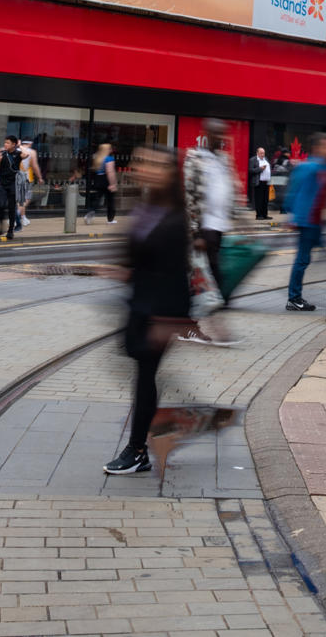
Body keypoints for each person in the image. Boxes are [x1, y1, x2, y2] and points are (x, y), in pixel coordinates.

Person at [101, 145, 193, 477]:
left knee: (144, 377)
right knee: (144, 375)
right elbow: (134, 256)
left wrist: (170, 320)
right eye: (142, 162)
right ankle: (172, 422)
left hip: (159, 312)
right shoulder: (146, 207)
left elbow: (178, 274)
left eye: (155, 165)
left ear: (169, 174)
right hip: (139, 305)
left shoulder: (176, 216)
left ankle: (138, 450)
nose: (145, 168)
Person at [182, 121, 238, 344]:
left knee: (203, 278)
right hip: (204, 227)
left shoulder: (224, 160)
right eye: (216, 134)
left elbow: (229, 189)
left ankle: (184, 322)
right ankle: (214, 328)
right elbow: (188, 196)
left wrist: (239, 220)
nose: (220, 138)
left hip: (219, 226)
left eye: (222, 134)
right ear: (206, 135)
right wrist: (195, 233)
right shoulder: (195, 158)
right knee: (211, 278)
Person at [283, 133, 326, 312]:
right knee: (302, 259)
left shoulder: (323, 167)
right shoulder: (309, 167)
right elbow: (293, 190)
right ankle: (294, 298)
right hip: (306, 221)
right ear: (318, 147)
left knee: (312, 258)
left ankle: (297, 294)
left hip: (316, 222)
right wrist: (291, 215)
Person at [0, 136, 22, 242]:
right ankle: (0, 225)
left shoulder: (18, 154)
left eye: (8, 143)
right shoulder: (2, 154)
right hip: (3, 184)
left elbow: (26, 155)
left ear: (13, 144)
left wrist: (20, 148)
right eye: (5, 143)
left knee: (11, 207)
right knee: (1, 204)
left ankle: (10, 231)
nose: (5, 145)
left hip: (13, 184)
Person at [14, 141, 40, 234]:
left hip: (17, 177)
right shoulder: (31, 152)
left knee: (20, 199)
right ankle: (16, 216)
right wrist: (40, 177)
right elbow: (34, 165)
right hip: (27, 177)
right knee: (26, 199)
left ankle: (23, 217)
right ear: (30, 143)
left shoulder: (14, 150)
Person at [91, 143, 119, 224]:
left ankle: (91, 212)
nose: (111, 150)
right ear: (107, 150)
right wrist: (112, 184)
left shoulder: (97, 158)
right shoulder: (109, 158)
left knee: (98, 198)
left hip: (99, 179)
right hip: (106, 179)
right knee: (110, 201)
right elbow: (110, 171)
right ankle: (110, 219)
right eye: (110, 148)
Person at [249, 147, 272, 221]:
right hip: (258, 182)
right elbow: (250, 170)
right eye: (261, 153)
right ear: (257, 153)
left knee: (265, 200)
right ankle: (258, 215)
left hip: (266, 182)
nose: (263, 154)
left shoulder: (266, 159)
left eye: (263, 153)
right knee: (259, 199)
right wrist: (260, 169)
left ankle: (265, 215)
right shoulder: (253, 160)